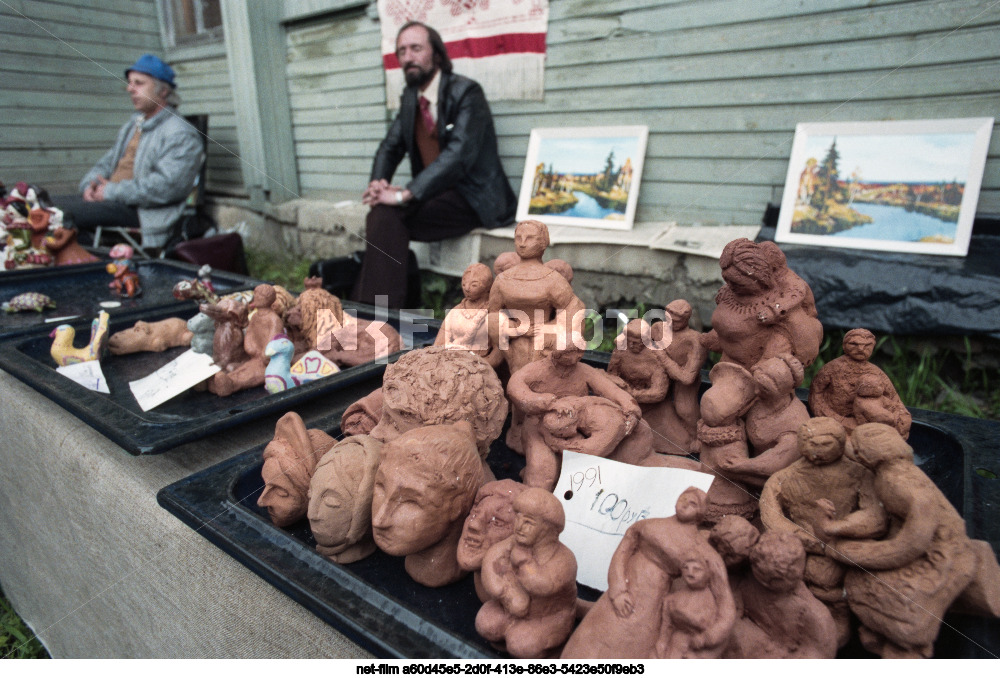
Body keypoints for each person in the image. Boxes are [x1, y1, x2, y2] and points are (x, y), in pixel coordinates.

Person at [353, 22, 517, 308]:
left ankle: (374, 316)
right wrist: (378, 184)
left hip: (474, 198)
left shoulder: (467, 93)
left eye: (416, 48)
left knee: (393, 215)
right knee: (383, 214)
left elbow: (459, 156)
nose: (407, 57)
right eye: (401, 51)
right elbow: (390, 147)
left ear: (437, 54)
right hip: (435, 195)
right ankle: (376, 314)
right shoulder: (409, 99)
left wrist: (405, 194)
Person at [51, 54, 203, 252]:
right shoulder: (134, 124)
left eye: (139, 83)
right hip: (111, 200)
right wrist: (90, 185)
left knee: (56, 213)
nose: (130, 89)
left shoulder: (181, 133)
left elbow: (167, 187)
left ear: (163, 91)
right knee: (43, 204)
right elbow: (106, 163)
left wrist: (111, 191)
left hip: (144, 211)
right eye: (130, 83)